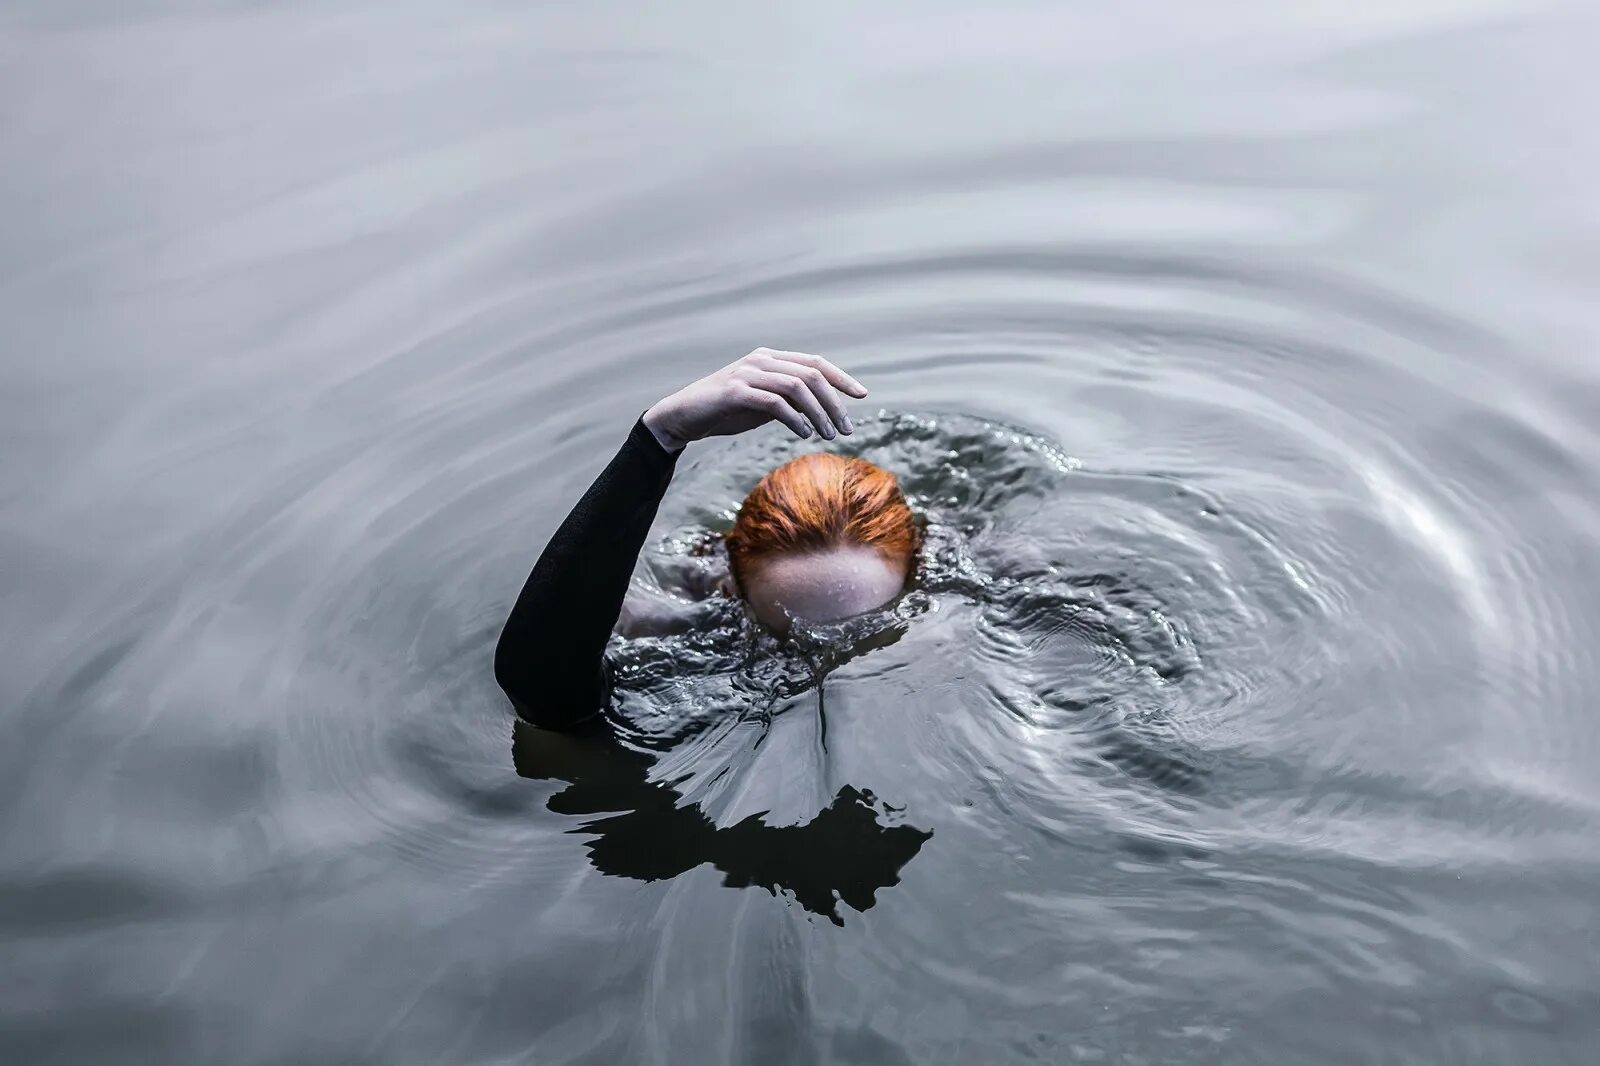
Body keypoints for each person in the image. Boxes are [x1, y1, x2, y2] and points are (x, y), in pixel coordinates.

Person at [494, 348, 920, 731]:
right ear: (731, 587)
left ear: (917, 569)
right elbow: (543, 692)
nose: (831, 670)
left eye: (864, 633)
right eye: (791, 641)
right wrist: (658, 438)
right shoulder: (688, 628)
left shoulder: (972, 580)